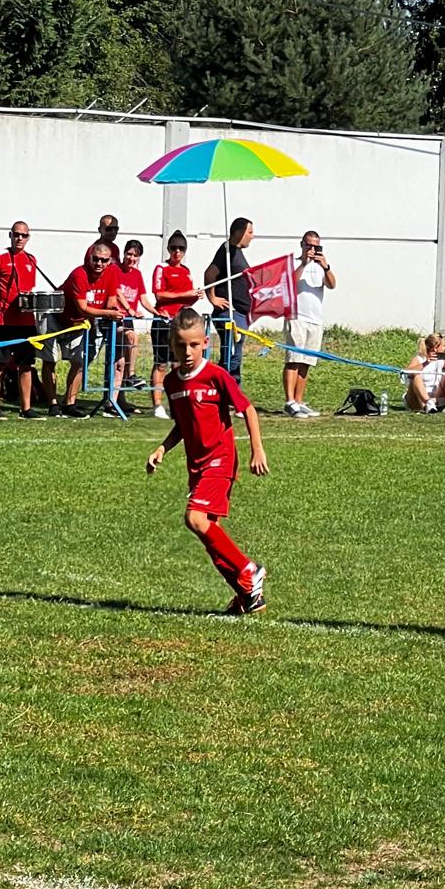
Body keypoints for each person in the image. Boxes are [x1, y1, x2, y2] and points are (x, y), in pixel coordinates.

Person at [146, 307, 269, 615]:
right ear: (172, 345)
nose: (187, 352)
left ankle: (249, 569)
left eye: (193, 344)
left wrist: (257, 449)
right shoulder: (172, 383)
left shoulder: (216, 376)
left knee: (195, 519)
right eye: (181, 345)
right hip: (197, 465)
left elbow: (247, 409)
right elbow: (182, 425)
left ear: (205, 343)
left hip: (221, 459)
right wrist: (162, 448)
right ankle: (247, 595)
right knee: (209, 532)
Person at [45, 242, 124, 417]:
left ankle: (69, 403)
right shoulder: (79, 274)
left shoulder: (112, 273)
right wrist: (109, 313)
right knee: (50, 360)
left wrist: (113, 310)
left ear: (110, 261)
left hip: (79, 323)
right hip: (56, 318)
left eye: (104, 260)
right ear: (89, 258)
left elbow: (111, 299)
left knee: (80, 361)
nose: (99, 263)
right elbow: (83, 308)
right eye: (96, 259)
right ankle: (52, 403)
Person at [0, 220, 38, 418]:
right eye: (16, 234)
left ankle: (26, 408)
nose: (19, 238)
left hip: (26, 322)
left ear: (28, 237)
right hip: (4, 322)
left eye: (24, 235)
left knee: (26, 364)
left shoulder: (31, 259)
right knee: (0, 363)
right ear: (10, 235)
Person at [285, 229, 336, 419]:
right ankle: (290, 401)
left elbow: (332, 284)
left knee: (307, 362)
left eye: (316, 246)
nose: (312, 249)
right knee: (294, 359)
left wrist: (326, 266)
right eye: (309, 245)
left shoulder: (321, 266)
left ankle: (299, 400)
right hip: (296, 317)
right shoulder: (294, 263)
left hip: (315, 319)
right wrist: (304, 263)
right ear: (302, 245)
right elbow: (289, 282)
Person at [150, 231, 201, 419]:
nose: (177, 252)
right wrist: (185, 294)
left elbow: (187, 300)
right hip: (164, 322)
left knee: (178, 364)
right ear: (168, 249)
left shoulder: (186, 271)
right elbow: (159, 295)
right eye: (173, 248)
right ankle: (157, 404)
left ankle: (177, 401)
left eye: (181, 249)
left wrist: (195, 296)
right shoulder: (161, 268)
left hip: (180, 324)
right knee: (161, 364)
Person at [204, 217, 253, 383]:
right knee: (231, 356)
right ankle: (226, 389)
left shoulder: (236, 252)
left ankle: (226, 389)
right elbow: (209, 274)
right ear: (239, 233)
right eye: (250, 232)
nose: (252, 236)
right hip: (229, 313)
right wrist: (213, 298)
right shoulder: (227, 251)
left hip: (240, 314)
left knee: (232, 355)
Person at [112, 239, 149, 413]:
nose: (131, 258)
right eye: (129, 254)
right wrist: (129, 309)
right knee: (131, 338)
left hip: (128, 319)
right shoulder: (115, 269)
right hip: (116, 318)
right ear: (124, 253)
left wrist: (157, 312)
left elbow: (143, 298)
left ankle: (117, 400)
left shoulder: (137, 274)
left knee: (120, 362)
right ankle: (131, 375)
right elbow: (117, 292)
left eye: (135, 255)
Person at [405, 332, 445, 414]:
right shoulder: (419, 359)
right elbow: (407, 373)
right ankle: (428, 403)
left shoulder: (443, 360)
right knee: (416, 375)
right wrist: (425, 363)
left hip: (437, 399)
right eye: (443, 346)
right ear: (435, 348)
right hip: (417, 400)